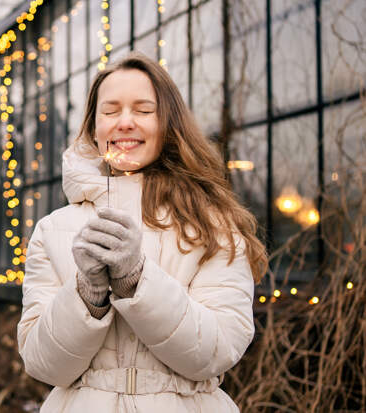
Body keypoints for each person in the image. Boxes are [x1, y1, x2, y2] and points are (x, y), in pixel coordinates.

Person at [17, 51, 267, 412]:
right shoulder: (53, 229)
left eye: (144, 110)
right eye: (110, 110)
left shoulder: (212, 224)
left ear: (168, 124)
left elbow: (216, 351)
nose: (125, 122)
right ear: (93, 127)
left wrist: (137, 279)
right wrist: (87, 293)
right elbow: (43, 364)